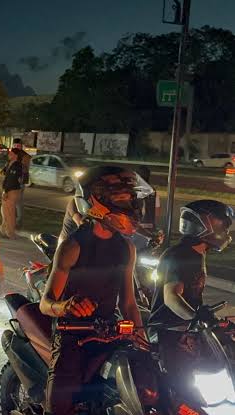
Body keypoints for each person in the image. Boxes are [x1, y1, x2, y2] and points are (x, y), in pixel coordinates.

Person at [39, 166, 150, 415]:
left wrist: (144, 346)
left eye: (129, 198)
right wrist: (65, 307)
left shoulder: (126, 248)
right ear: (96, 202)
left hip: (109, 334)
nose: (128, 206)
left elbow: (129, 305)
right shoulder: (73, 246)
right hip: (71, 337)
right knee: (59, 407)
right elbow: (45, 304)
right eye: (119, 199)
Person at [149, 200, 233, 396]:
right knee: (180, 391)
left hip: (188, 330)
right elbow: (171, 298)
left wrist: (212, 323)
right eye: (223, 224)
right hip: (167, 331)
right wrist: (198, 319)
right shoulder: (179, 255)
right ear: (206, 224)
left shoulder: (198, 254)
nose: (226, 230)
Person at [0, 148, 23, 239]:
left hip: (11, 190)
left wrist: (6, 191)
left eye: (11, 153)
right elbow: (3, 173)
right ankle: (4, 231)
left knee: (9, 213)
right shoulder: (10, 164)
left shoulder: (17, 165)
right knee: (5, 213)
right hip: (8, 190)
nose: (9, 154)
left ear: (15, 155)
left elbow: (12, 180)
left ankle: (10, 233)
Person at [135, 165, 160, 231]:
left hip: (137, 227)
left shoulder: (133, 191)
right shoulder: (153, 191)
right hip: (150, 226)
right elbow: (157, 211)